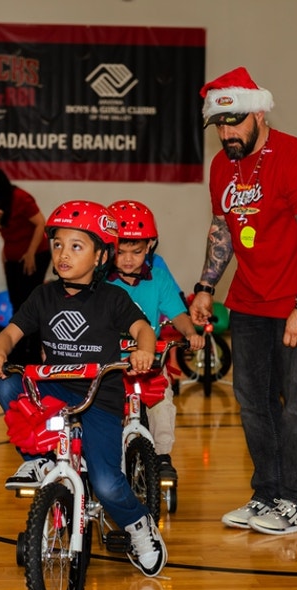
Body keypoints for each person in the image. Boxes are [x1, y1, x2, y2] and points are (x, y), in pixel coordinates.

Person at [188, 67, 297, 536]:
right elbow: (223, 229)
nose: (228, 134)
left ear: (259, 112)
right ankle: (268, 494)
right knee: (253, 403)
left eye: (235, 122)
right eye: (220, 126)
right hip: (250, 301)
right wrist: (206, 286)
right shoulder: (222, 167)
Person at [0, 200, 167, 577]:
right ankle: (36, 459)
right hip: (57, 392)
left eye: (76, 246)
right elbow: (10, 333)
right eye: (58, 245)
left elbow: (142, 329)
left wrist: (145, 352)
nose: (63, 254)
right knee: (7, 385)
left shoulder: (113, 299)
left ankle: (139, 525)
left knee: (106, 482)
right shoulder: (44, 296)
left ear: (101, 256)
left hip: (100, 398)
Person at [106, 200, 205, 481]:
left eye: (136, 251)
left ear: (150, 246)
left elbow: (177, 314)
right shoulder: (101, 281)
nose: (127, 259)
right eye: (120, 251)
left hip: (150, 360)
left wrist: (190, 333)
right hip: (111, 363)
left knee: (162, 402)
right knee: (104, 411)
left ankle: (162, 455)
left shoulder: (158, 279)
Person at [0, 167, 48, 363]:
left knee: (30, 304)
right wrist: (4, 257)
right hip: (13, 257)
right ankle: (19, 351)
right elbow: (8, 233)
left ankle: (33, 352)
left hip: (36, 255)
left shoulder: (21, 198)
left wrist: (30, 254)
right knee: (17, 303)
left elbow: (40, 223)